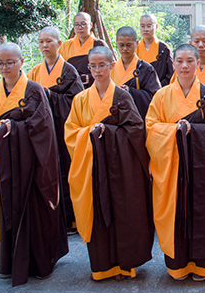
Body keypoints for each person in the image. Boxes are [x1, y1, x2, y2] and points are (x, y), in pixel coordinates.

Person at [0, 43, 68, 286]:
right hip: (0, 164)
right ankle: (7, 264)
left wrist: (12, 128)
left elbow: (44, 130)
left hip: (31, 166)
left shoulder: (34, 91)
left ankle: (39, 263)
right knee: (3, 209)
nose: (5, 68)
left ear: (21, 62)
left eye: (10, 62)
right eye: (0, 64)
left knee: (34, 210)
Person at [146, 44, 205, 281]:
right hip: (172, 167)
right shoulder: (161, 96)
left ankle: (201, 265)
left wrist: (193, 131)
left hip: (203, 169)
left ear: (198, 64)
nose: (184, 66)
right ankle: (178, 265)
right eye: (179, 61)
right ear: (173, 64)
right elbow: (150, 128)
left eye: (189, 61)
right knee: (174, 213)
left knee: (203, 211)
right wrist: (175, 131)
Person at [64, 46, 154, 281]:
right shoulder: (81, 99)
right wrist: (90, 134)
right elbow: (71, 133)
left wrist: (108, 131)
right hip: (92, 166)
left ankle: (124, 265)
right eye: (92, 66)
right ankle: (102, 265)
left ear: (111, 65)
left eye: (102, 65)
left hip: (120, 168)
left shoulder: (122, 96)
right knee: (96, 212)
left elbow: (136, 129)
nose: (97, 70)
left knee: (122, 214)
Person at [27, 27, 85, 235]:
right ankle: (50, 217)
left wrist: (49, 95)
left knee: (66, 171)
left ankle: (70, 219)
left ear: (59, 43)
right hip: (43, 131)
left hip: (62, 130)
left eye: (49, 41)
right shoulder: (34, 72)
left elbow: (77, 101)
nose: (44, 45)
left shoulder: (68, 71)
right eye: (41, 41)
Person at [111, 26, 161, 120]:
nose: (125, 49)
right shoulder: (112, 68)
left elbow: (155, 97)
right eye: (121, 45)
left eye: (129, 45)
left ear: (137, 43)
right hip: (116, 118)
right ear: (116, 44)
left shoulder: (146, 69)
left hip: (138, 119)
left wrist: (130, 91)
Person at [58, 12, 107, 87]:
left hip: (94, 88)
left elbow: (109, 68)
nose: (80, 27)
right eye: (76, 25)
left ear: (90, 25)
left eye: (83, 24)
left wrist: (88, 78)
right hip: (72, 88)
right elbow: (58, 67)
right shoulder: (66, 45)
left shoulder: (99, 45)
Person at [137, 13, 174, 86]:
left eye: (149, 26)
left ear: (156, 26)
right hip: (139, 92)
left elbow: (170, 73)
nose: (145, 29)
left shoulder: (163, 48)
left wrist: (159, 87)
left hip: (159, 90)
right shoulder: (135, 47)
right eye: (142, 26)